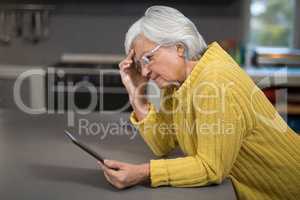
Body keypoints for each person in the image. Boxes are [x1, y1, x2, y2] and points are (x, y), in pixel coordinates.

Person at [98, 5, 300, 200]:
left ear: (179, 47)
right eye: (139, 63)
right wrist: (136, 89)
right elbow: (162, 142)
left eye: (148, 58)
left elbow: (211, 168)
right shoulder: (178, 84)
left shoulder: (215, 81)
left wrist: (143, 172)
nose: (144, 71)